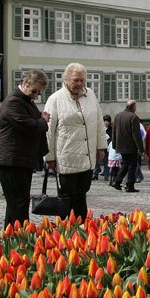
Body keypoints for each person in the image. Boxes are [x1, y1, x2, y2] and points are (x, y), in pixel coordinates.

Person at [44, 63, 107, 220]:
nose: (79, 84)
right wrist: (49, 156)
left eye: (82, 80)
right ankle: (68, 229)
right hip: (67, 156)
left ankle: (82, 227)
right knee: (67, 196)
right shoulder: (55, 99)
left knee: (82, 193)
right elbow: (48, 131)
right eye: (75, 80)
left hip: (86, 155)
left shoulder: (90, 95)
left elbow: (99, 122)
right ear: (66, 80)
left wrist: (101, 147)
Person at [0, 69, 50, 227]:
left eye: (38, 93)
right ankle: (21, 237)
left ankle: (11, 237)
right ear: (25, 83)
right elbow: (27, 125)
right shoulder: (14, 101)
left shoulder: (25, 101)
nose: (35, 95)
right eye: (34, 91)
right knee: (18, 202)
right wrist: (43, 120)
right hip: (11, 159)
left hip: (20, 159)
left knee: (17, 202)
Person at [111, 100, 145, 192]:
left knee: (125, 164)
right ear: (134, 107)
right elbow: (136, 134)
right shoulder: (133, 117)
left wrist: (114, 144)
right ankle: (130, 185)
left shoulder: (118, 116)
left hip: (120, 145)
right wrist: (141, 148)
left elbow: (114, 132)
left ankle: (117, 182)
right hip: (130, 146)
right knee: (132, 166)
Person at [93, 114, 112, 180]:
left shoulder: (111, 130)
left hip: (107, 148)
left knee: (106, 162)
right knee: (96, 161)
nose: (106, 122)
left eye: (107, 121)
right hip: (99, 146)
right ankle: (95, 174)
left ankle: (106, 175)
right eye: (105, 121)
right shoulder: (100, 129)